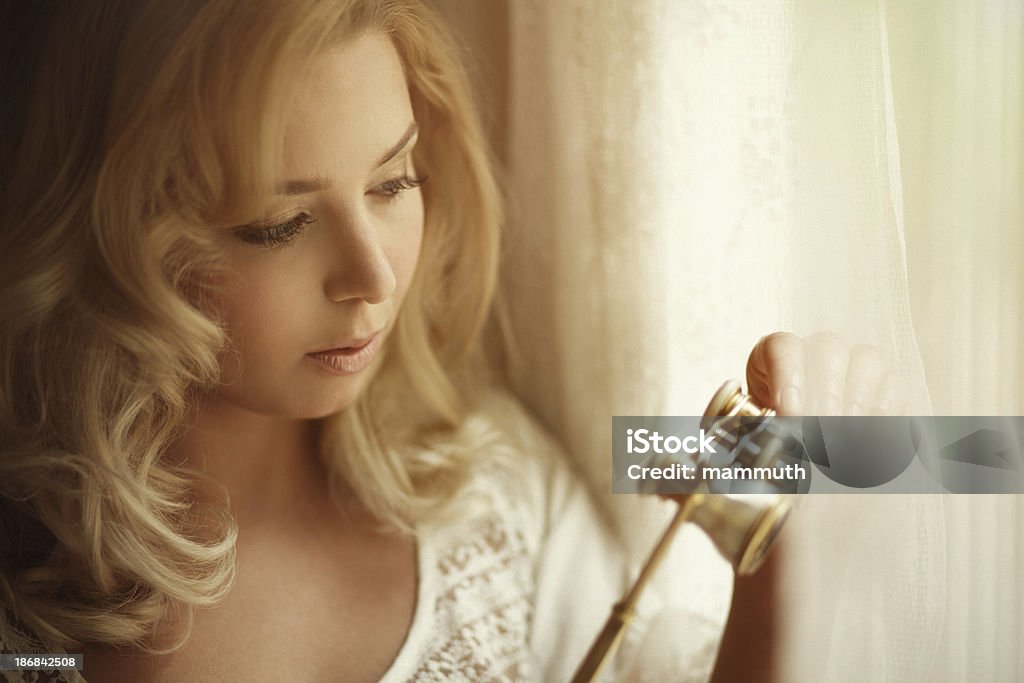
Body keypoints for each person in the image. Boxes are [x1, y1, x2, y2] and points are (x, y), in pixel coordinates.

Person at [0, 1, 903, 681]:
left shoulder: (494, 482)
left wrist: (784, 555)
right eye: (279, 224)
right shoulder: (32, 613)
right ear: (111, 233)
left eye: (394, 181)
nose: (375, 276)